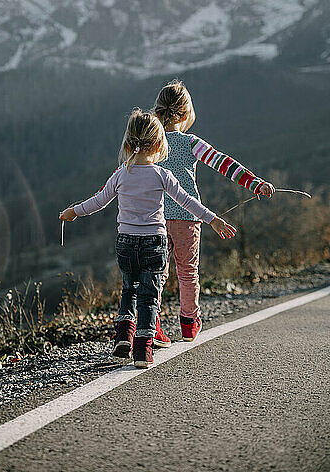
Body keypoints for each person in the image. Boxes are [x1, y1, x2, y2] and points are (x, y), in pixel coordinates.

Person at [59, 109, 236, 368]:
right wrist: (214, 220)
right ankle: (143, 351)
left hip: (126, 243)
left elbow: (98, 202)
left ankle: (123, 338)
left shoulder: (121, 174)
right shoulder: (162, 175)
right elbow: (188, 203)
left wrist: (73, 212)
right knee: (149, 296)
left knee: (129, 289)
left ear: (129, 143)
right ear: (158, 144)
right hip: (153, 244)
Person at [153, 80, 275, 346]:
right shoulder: (191, 143)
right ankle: (189, 322)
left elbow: (127, 172)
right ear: (185, 114)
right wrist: (255, 183)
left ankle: (153, 326)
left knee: (158, 274)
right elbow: (224, 164)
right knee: (187, 272)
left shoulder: (153, 144)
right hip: (188, 217)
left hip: (156, 219)